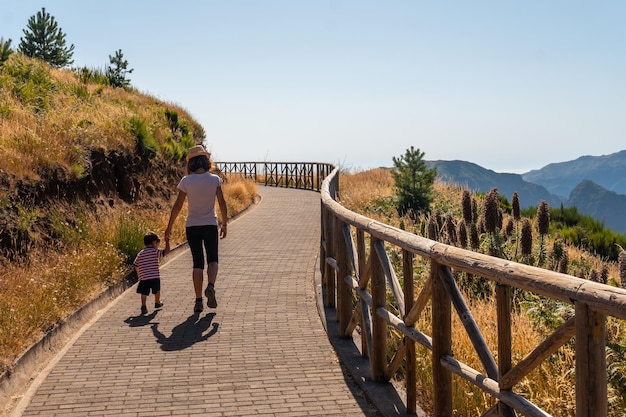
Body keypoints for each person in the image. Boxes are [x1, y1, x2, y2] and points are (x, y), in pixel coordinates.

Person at [165, 145, 228, 313]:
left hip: (192, 226)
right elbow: (222, 202)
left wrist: (169, 227)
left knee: (197, 263)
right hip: (210, 224)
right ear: (206, 161)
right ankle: (211, 286)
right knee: (213, 259)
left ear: (191, 163)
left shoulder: (186, 181)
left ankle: (199, 301)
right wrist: (225, 223)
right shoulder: (214, 179)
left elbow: (178, 205)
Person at [134, 231, 170, 315]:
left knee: (144, 292)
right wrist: (167, 242)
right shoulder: (155, 251)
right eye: (158, 242)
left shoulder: (140, 253)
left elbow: (136, 264)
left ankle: (143, 306)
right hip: (154, 276)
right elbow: (166, 252)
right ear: (154, 242)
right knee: (157, 290)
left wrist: (139, 274)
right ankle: (157, 302)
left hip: (144, 277)